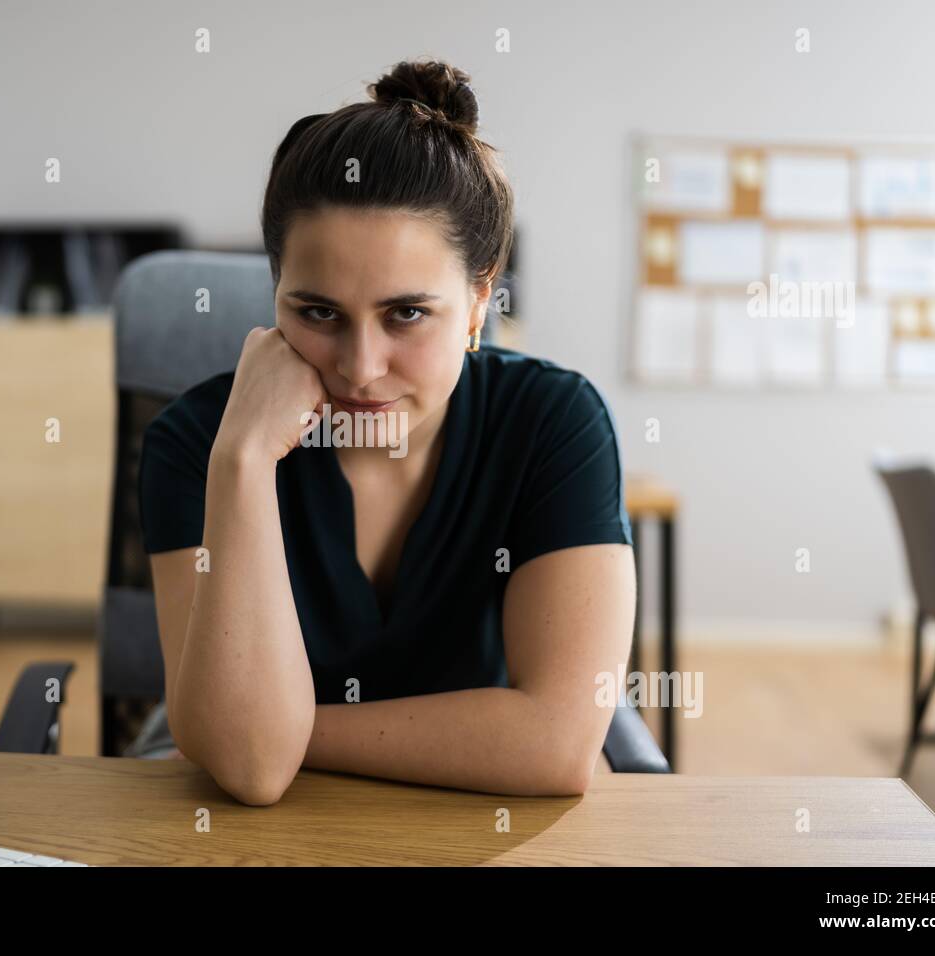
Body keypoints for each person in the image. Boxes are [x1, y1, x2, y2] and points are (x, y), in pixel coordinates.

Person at [133, 59, 636, 804]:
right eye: (317, 313)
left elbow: (557, 745)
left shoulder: (555, 424)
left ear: (477, 302)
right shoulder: (198, 440)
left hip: (468, 822)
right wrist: (242, 460)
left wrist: (291, 730)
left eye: (406, 313)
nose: (360, 369)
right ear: (274, 297)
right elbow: (246, 769)